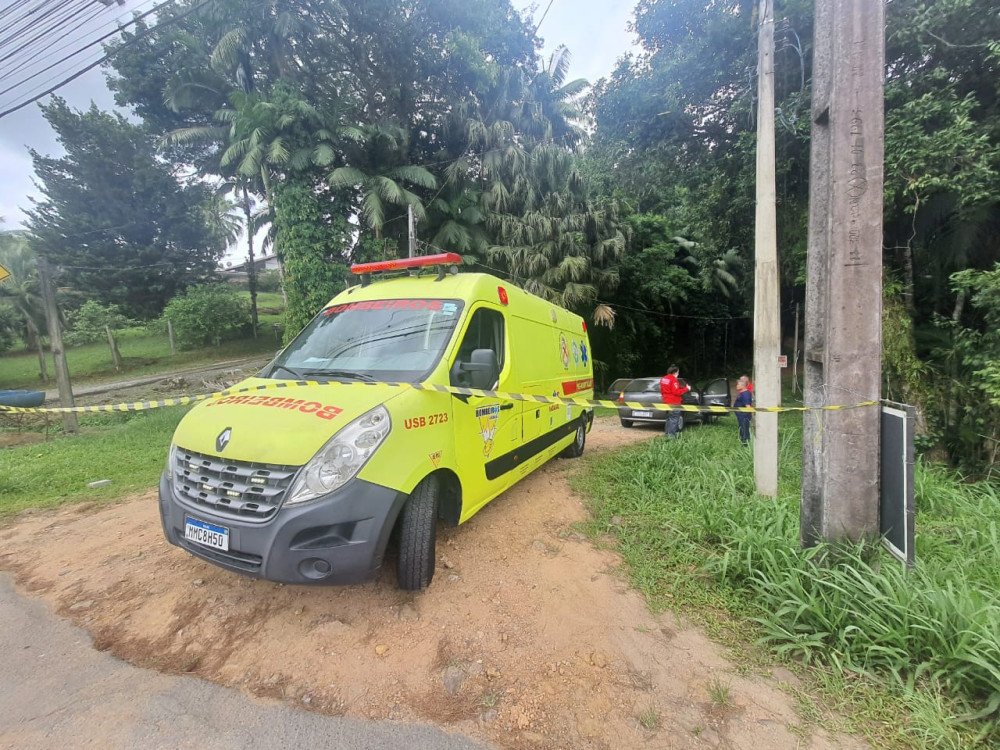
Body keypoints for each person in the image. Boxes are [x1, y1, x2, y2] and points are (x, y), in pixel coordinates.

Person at [659, 364, 691, 439]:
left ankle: (667, 435)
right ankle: (671, 437)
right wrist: (687, 389)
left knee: (669, 419)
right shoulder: (673, 380)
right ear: (675, 372)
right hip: (674, 402)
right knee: (674, 419)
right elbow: (676, 392)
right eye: (678, 372)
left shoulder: (664, 378)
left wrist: (682, 387)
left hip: (666, 402)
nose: (678, 374)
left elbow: (666, 389)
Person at [734, 375, 753, 445]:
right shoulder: (742, 393)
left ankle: (745, 444)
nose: (736, 385)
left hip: (744, 416)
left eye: (738, 384)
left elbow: (748, 407)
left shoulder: (745, 394)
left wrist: (746, 417)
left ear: (743, 386)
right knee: (742, 428)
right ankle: (743, 441)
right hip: (741, 415)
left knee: (744, 429)